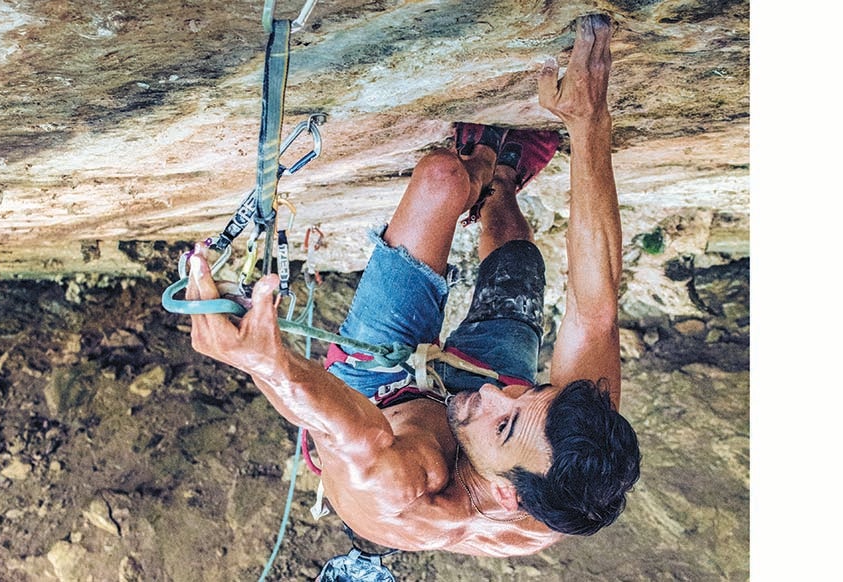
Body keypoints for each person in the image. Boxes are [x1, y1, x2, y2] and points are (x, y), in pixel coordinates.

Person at [185, 13, 640, 557]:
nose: (496, 394)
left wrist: (265, 362)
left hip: (378, 394)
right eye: (533, 393)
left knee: (440, 177)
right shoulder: (572, 455)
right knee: (519, 266)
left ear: (505, 494)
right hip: (461, 421)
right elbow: (595, 312)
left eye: (505, 426)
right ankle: (498, 182)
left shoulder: (404, 492)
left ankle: (471, 173)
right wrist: (590, 122)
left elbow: (351, 432)